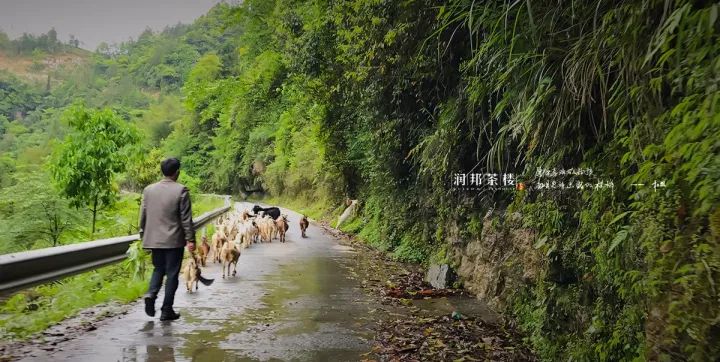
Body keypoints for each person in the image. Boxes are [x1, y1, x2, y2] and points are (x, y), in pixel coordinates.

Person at [139, 157, 196, 321]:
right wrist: (190, 239)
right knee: (172, 274)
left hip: (153, 239)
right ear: (177, 172)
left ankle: (151, 293)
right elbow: (186, 219)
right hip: (173, 240)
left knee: (158, 269)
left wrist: (143, 235)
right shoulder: (181, 190)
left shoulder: (148, 190)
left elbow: (142, 215)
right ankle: (166, 310)